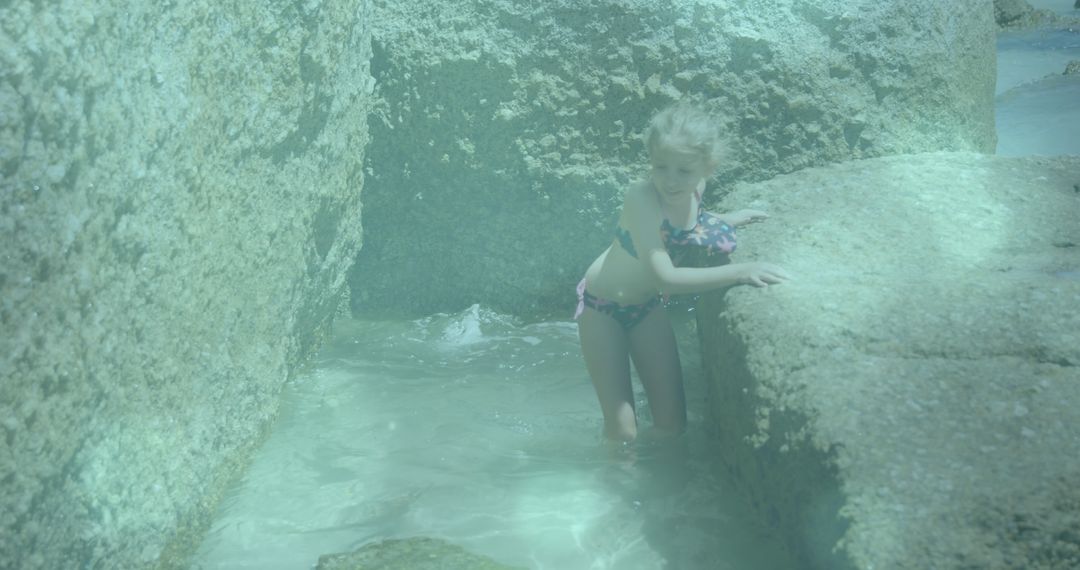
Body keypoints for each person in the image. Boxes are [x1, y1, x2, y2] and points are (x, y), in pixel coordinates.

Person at [575, 101, 790, 443]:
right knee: (623, 429)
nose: (671, 181)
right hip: (602, 309)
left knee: (673, 424)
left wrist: (724, 219)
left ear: (708, 167)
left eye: (683, 171)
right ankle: (617, 489)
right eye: (661, 167)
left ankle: (663, 489)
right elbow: (665, 277)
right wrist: (741, 271)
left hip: (645, 307)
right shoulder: (641, 198)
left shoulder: (696, 189)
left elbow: (687, 222)